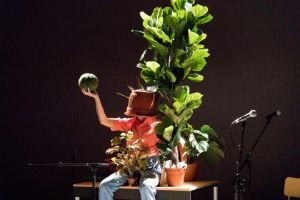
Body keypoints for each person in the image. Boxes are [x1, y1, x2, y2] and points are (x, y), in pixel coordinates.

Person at [81, 88, 162, 200]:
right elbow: (104, 121)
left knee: (146, 186)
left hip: (151, 167)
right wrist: (96, 98)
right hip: (129, 167)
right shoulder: (129, 123)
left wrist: (181, 163)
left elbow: (178, 142)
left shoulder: (157, 125)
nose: (136, 115)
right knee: (105, 185)